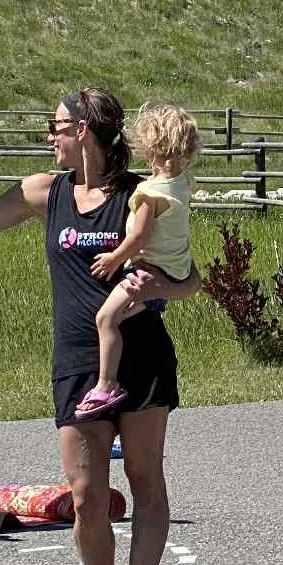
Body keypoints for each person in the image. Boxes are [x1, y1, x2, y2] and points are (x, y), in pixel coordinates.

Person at [0, 88, 198, 565]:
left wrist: (163, 288)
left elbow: (190, 279)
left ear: (83, 130)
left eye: (55, 126)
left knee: (144, 479)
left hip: (143, 357)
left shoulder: (141, 195)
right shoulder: (45, 191)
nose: (48, 137)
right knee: (85, 494)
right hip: (78, 361)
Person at [76, 104, 201, 420]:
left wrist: (115, 258)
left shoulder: (148, 192)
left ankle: (107, 384)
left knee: (105, 319)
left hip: (146, 268)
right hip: (175, 269)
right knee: (122, 318)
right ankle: (152, 305)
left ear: (150, 149)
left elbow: (140, 237)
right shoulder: (182, 184)